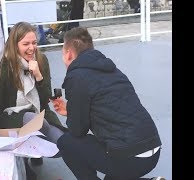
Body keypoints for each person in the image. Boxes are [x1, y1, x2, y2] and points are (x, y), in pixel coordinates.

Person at [50, 27, 165, 180]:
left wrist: (74, 115)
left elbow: (78, 131)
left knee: (66, 142)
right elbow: (108, 108)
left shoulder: (77, 76)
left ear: (68, 53)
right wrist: (72, 110)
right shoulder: (112, 70)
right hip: (152, 150)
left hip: (131, 158)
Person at [0, 22, 66, 179]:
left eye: (34, 43)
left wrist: (39, 77)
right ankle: (25, 160)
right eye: (25, 44)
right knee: (34, 120)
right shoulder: (2, 66)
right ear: (14, 45)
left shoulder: (42, 61)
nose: (31, 48)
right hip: (10, 116)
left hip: (38, 111)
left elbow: (43, 101)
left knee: (62, 146)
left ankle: (36, 151)